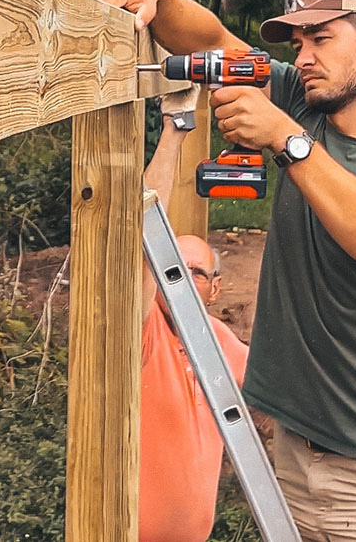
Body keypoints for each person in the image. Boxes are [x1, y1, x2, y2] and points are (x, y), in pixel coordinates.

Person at [102, 0, 356, 542]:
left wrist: (286, 139)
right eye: (298, 43)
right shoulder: (301, 101)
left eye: (321, 38)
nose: (303, 57)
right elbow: (208, 44)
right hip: (292, 449)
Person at [139, 87, 250, 542]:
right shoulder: (144, 333)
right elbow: (141, 222)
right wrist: (175, 130)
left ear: (215, 288)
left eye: (196, 273)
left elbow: (283, 384)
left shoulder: (223, 343)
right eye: (172, 271)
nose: (181, 282)